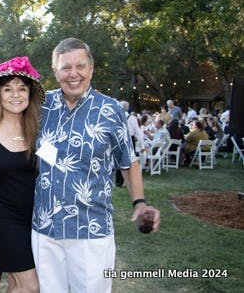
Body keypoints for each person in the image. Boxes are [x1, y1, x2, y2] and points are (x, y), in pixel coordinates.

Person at [31, 38, 160, 293]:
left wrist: (140, 202)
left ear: (91, 68)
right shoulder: (39, 106)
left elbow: (128, 161)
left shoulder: (110, 109)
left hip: (90, 228)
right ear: (55, 71)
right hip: (45, 229)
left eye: (80, 66)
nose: (73, 73)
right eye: (65, 67)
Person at [0, 56, 44, 293]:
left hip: (37, 219)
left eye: (22, 88)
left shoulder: (39, 126)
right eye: (8, 89)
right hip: (3, 219)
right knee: (31, 285)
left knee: (17, 284)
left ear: (30, 93)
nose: (16, 95)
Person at [116, 101, 145, 187]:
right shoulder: (132, 118)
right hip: (130, 140)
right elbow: (138, 132)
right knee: (131, 161)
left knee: (120, 160)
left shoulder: (116, 116)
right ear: (127, 108)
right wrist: (142, 144)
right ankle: (131, 180)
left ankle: (118, 181)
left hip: (120, 138)